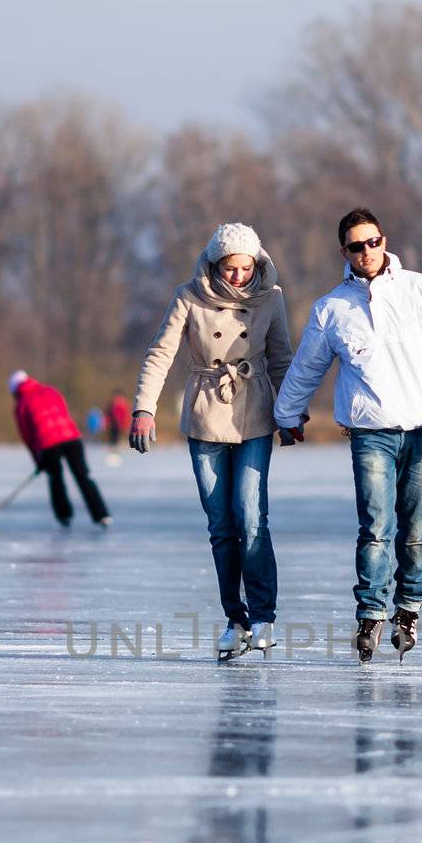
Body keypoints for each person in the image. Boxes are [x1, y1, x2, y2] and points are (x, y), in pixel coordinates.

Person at [273, 207, 422, 663]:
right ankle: (370, 613)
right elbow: (307, 368)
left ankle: (408, 609)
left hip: (421, 429)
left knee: (415, 530)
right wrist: (287, 413)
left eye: (374, 242)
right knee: (376, 528)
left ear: (385, 240)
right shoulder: (332, 308)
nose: (367, 252)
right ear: (343, 251)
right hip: (369, 433)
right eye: (356, 246)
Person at [130, 222, 293, 661]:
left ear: (257, 264)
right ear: (214, 263)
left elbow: (281, 359)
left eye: (245, 268)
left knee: (251, 516)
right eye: (229, 268)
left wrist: (291, 413)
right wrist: (144, 409)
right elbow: (160, 353)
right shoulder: (189, 296)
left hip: (254, 414)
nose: (237, 277)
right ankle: (235, 620)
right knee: (221, 526)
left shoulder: (271, 299)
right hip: (205, 415)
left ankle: (263, 617)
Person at [9, 370, 110, 527]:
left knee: (55, 479)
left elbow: (27, 436)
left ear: (15, 389)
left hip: (48, 443)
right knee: (83, 475)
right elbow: (64, 412)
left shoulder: (21, 404)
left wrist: (38, 460)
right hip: (71, 437)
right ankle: (101, 514)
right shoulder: (50, 390)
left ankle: (64, 516)